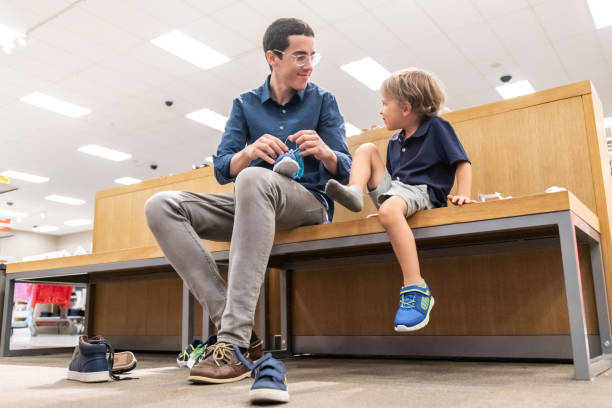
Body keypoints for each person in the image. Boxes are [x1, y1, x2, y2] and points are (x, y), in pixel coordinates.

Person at [144, 17, 351, 384]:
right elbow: (223, 168)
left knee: (254, 178)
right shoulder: (244, 104)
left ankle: (232, 342)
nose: (308, 65)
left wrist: (325, 152)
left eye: (312, 57)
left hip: (309, 204)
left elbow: (346, 169)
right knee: (161, 204)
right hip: (255, 203)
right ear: (273, 57)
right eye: (299, 56)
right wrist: (250, 150)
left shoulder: (323, 100)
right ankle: (239, 331)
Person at [325, 68, 474, 332]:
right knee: (367, 149)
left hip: (424, 192)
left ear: (406, 108)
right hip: (399, 191)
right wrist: (389, 207)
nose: (380, 110)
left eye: (384, 104)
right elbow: (394, 181)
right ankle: (355, 193)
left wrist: (464, 193)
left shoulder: (437, 127)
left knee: (392, 206)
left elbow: (462, 164)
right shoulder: (394, 141)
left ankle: (416, 287)